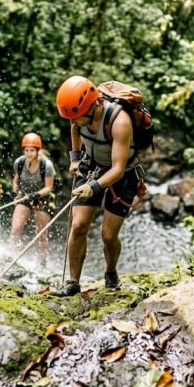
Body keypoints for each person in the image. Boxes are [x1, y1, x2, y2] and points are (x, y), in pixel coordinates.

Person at [52, 75, 142, 297]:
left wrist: (93, 186)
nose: (75, 121)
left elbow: (118, 169)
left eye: (79, 117)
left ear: (93, 105)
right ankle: (73, 282)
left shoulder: (119, 121)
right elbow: (74, 127)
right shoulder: (78, 115)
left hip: (123, 175)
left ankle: (110, 272)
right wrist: (75, 157)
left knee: (108, 235)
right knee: (79, 225)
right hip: (90, 164)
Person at [10, 132, 56, 264]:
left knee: (41, 234)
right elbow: (16, 179)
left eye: (32, 150)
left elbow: (48, 188)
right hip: (25, 197)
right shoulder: (19, 162)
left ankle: (42, 262)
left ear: (37, 151)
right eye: (26, 150)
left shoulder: (46, 165)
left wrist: (36, 195)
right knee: (16, 229)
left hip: (42, 199)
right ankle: (13, 257)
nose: (29, 153)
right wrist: (15, 193)